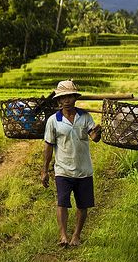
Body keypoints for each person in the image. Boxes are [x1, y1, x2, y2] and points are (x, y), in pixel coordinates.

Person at [41, 80, 102, 246]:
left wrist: (98, 133)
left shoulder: (85, 117)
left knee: (83, 205)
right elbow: (48, 146)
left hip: (84, 169)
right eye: (63, 97)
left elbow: (94, 138)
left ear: (75, 97)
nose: (67, 100)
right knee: (62, 203)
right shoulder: (53, 120)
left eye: (70, 96)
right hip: (62, 170)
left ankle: (76, 235)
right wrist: (45, 170)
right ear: (59, 101)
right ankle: (63, 236)